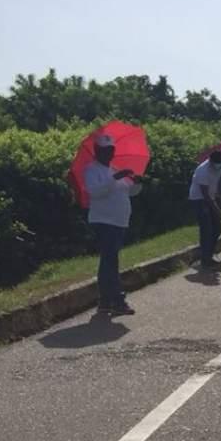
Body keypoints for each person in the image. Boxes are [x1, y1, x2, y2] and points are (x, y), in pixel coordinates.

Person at [84, 134, 142, 316]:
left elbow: (128, 191)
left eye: (111, 150)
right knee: (110, 261)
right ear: (97, 151)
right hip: (104, 221)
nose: (109, 153)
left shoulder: (113, 169)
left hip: (119, 221)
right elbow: (95, 192)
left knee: (109, 261)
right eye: (105, 150)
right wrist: (115, 177)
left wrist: (137, 184)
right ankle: (115, 300)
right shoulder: (92, 170)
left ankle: (106, 301)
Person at [189, 151, 221, 269]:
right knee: (207, 230)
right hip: (199, 200)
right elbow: (205, 193)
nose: (220, 165)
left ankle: (208, 255)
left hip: (211, 198)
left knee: (217, 229)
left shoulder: (218, 168)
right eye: (218, 163)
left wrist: (218, 202)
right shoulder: (203, 170)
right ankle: (205, 259)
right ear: (211, 161)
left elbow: (216, 186)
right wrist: (215, 208)